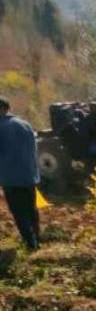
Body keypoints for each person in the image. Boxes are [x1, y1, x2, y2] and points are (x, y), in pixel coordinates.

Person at [0, 96, 41, 252]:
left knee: (19, 212)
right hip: (29, 175)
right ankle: (37, 239)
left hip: (11, 179)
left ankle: (30, 244)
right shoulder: (25, 124)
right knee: (31, 210)